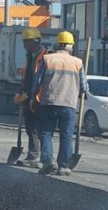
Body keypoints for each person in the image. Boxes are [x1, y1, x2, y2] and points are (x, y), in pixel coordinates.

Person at [32, 30, 87, 177]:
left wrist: (33, 98)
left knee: (45, 133)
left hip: (48, 102)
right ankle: (63, 166)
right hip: (68, 104)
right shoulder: (78, 62)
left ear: (58, 44)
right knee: (66, 135)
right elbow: (84, 87)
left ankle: (48, 160)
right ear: (70, 46)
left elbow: (37, 82)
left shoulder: (47, 59)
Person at [11, 27, 49, 167]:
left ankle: (37, 156)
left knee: (38, 129)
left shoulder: (44, 56)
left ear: (34, 42)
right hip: (29, 98)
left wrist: (33, 96)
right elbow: (27, 78)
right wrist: (20, 91)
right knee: (30, 128)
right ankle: (34, 155)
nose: (24, 46)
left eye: (26, 43)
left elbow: (41, 80)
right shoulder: (30, 57)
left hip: (39, 100)